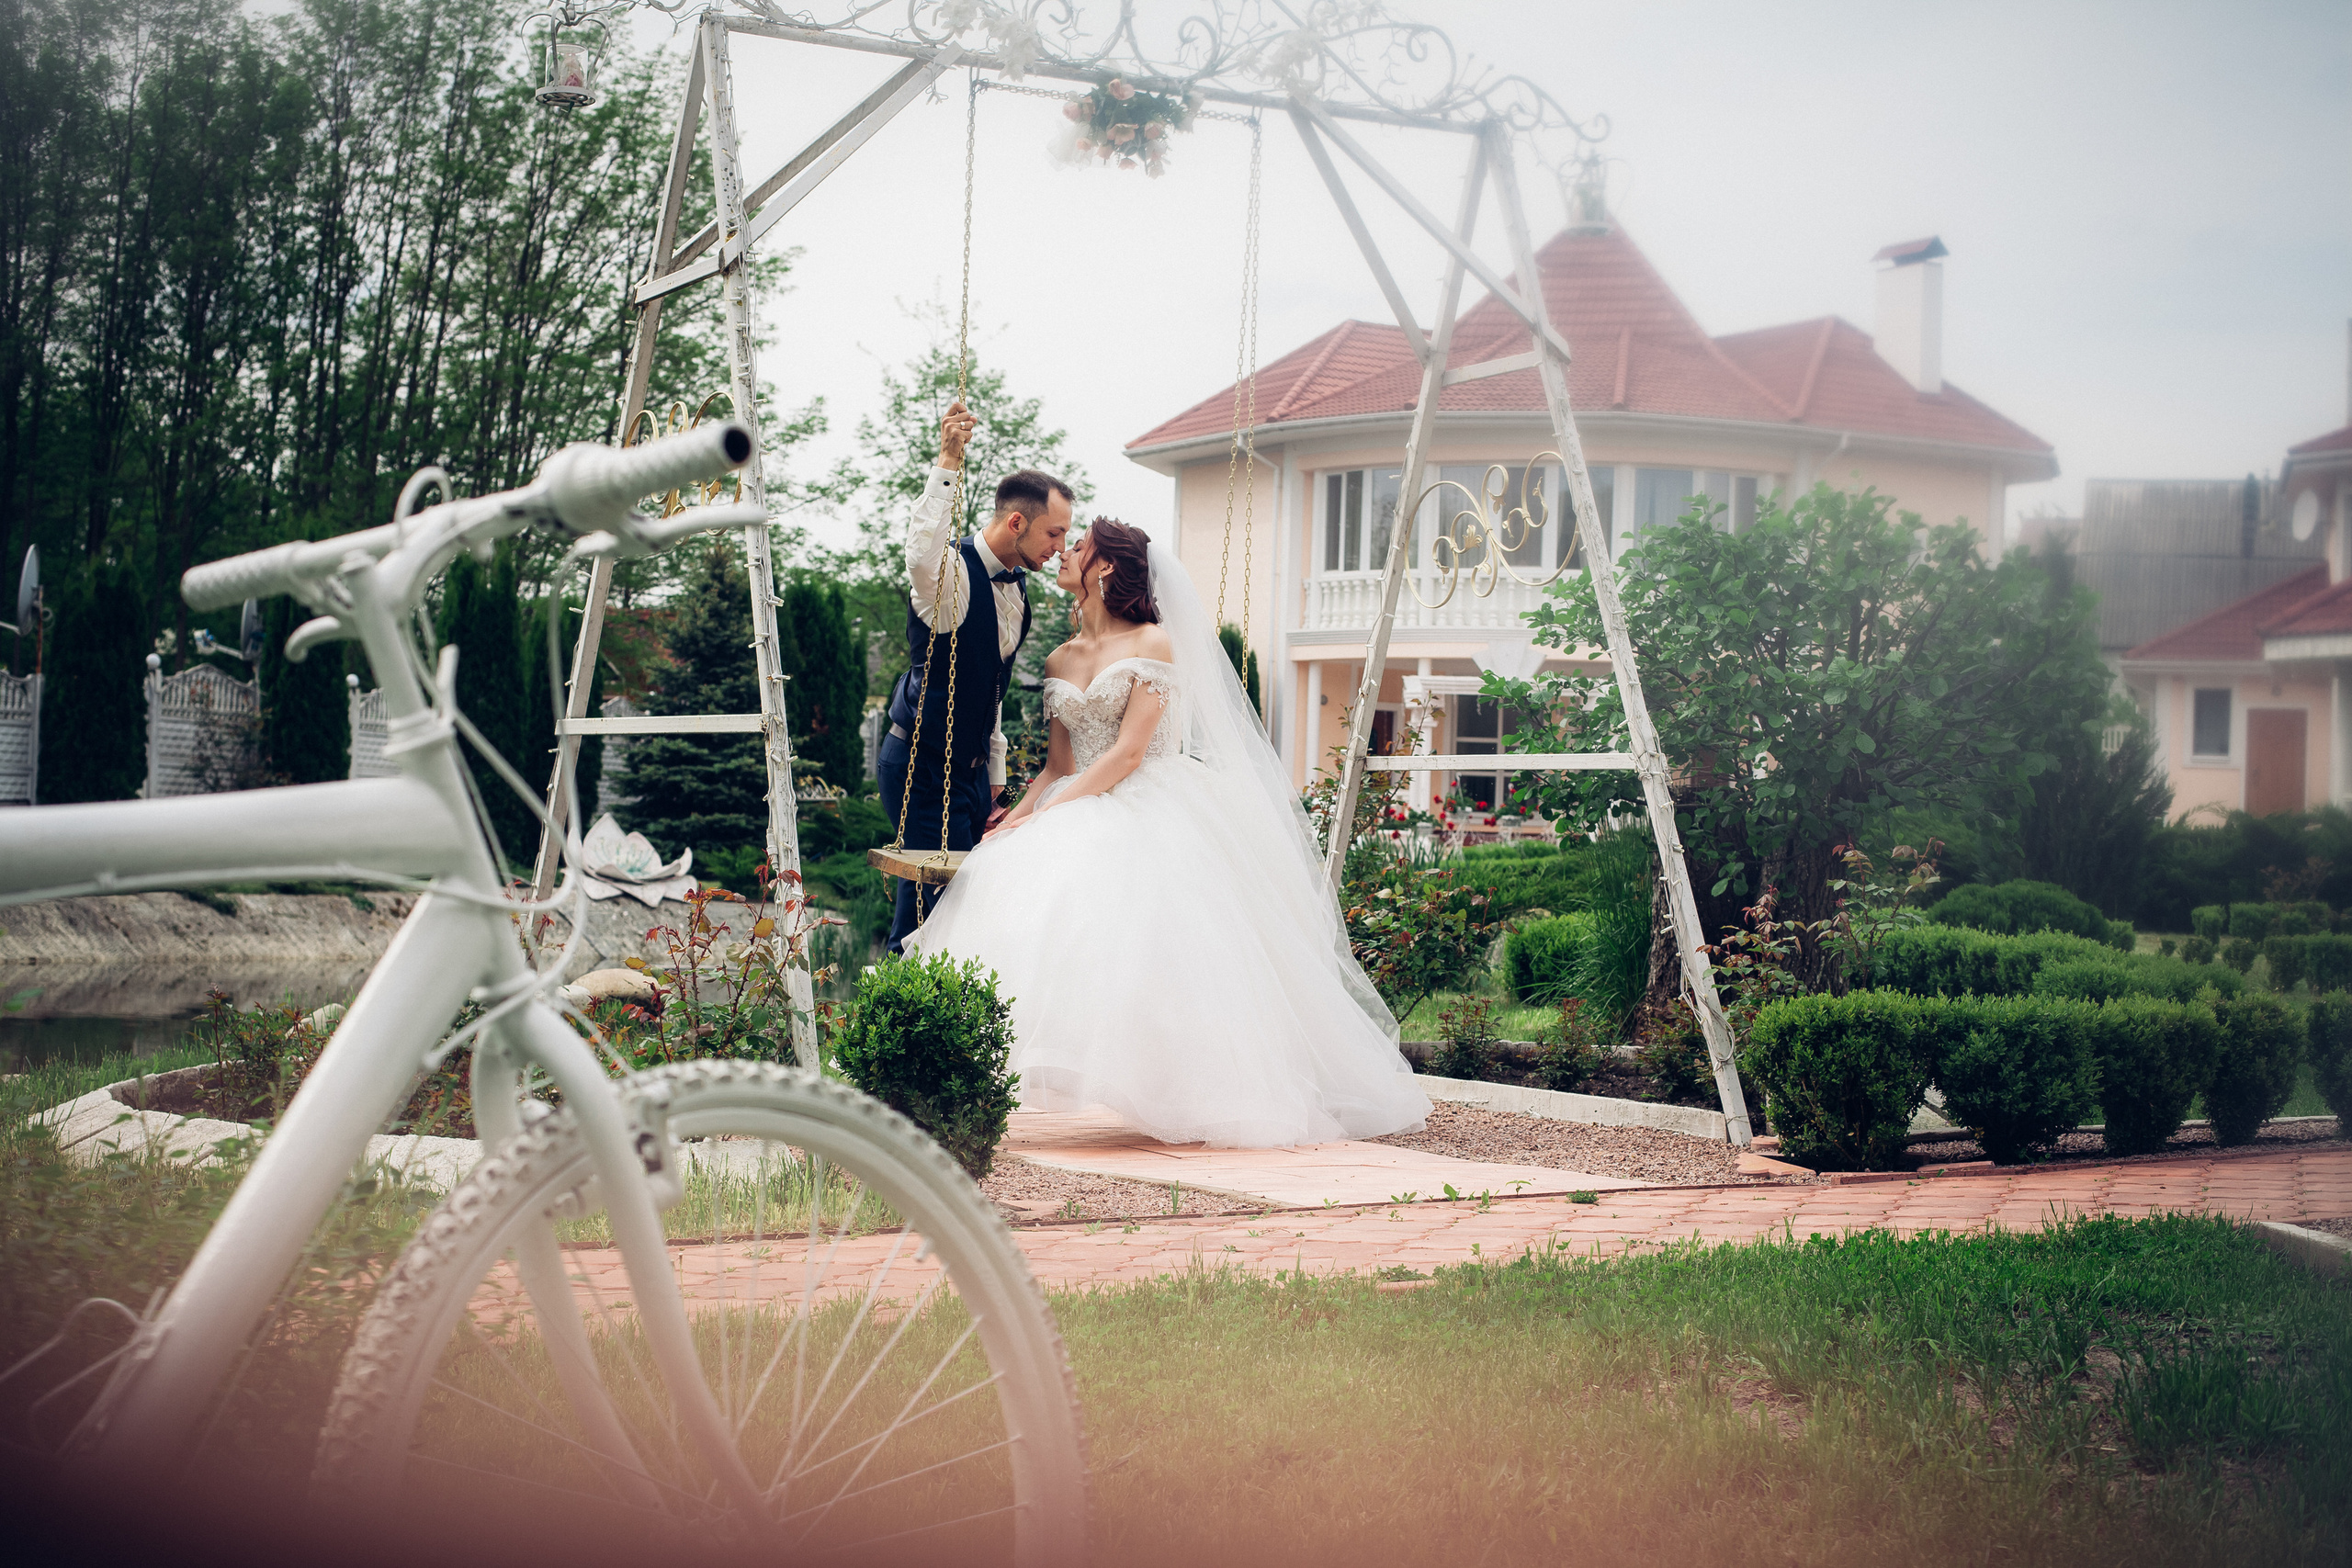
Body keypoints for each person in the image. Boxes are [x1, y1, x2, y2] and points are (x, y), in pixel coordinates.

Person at [904, 518, 1430, 1148]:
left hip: (1151, 801)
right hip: (1079, 798)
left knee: (1171, 948)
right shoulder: (1059, 658)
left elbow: (1127, 754)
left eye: (1078, 546)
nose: (1065, 553)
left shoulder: (1152, 643)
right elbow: (1057, 767)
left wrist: (1054, 813)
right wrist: (1013, 822)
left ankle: (1200, 1093)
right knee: (1015, 891)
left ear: (1103, 569)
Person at [879, 402, 1072, 953]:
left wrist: (993, 766)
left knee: (963, 910)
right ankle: (896, 1032)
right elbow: (921, 552)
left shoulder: (1020, 589)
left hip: (967, 771)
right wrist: (947, 461)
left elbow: (991, 689)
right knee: (924, 915)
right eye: (1054, 534)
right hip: (918, 760)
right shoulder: (951, 576)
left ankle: (942, 1030)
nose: (1060, 548)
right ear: (1018, 523)